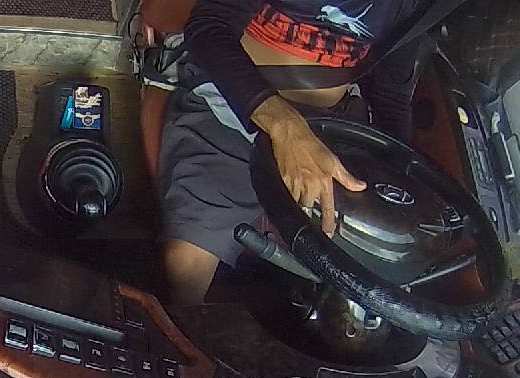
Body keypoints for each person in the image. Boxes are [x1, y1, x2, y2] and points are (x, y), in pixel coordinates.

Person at [158, 0, 427, 306]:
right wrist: (286, 129)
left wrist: (397, 199)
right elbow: (208, 28)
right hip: (231, 103)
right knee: (185, 268)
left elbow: (392, 98)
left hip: (335, 128)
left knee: (378, 287)